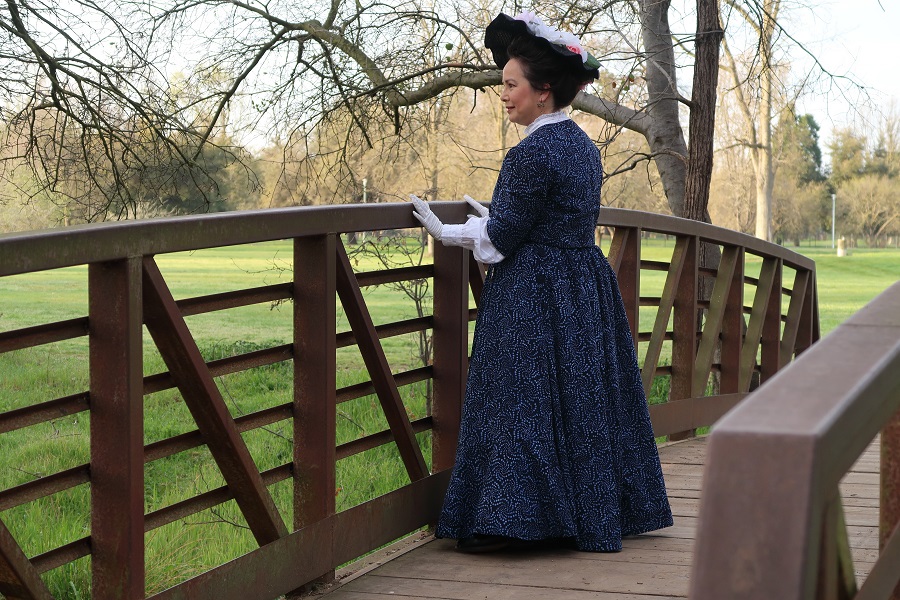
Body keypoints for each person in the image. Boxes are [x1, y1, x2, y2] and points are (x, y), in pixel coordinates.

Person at [410, 12, 673, 554]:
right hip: (582, 286)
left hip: (532, 293)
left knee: (521, 400)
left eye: (511, 86)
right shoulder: (582, 146)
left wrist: (445, 229)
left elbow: (502, 238)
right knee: (575, 401)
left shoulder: (528, 153)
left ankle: (514, 520)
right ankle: (587, 511)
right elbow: (545, 217)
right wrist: (495, 217)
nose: (503, 95)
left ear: (543, 89)